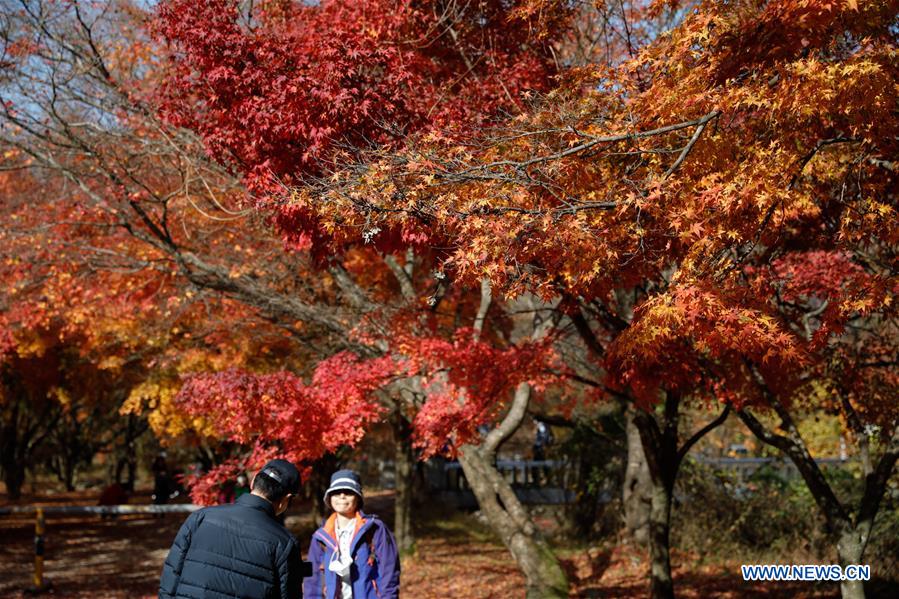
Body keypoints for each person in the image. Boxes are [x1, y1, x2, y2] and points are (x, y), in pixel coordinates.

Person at [159, 459, 308, 599]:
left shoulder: (201, 517)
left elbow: (171, 576)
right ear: (286, 498)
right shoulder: (284, 543)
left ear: (253, 481)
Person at [304, 470, 399, 599]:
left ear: (358, 498)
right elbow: (313, 579)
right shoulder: (321, 537)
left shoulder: (375, 529)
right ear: (329, 498)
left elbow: (389, 571)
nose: (342, 496)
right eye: (336, 492)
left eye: (348, 492)